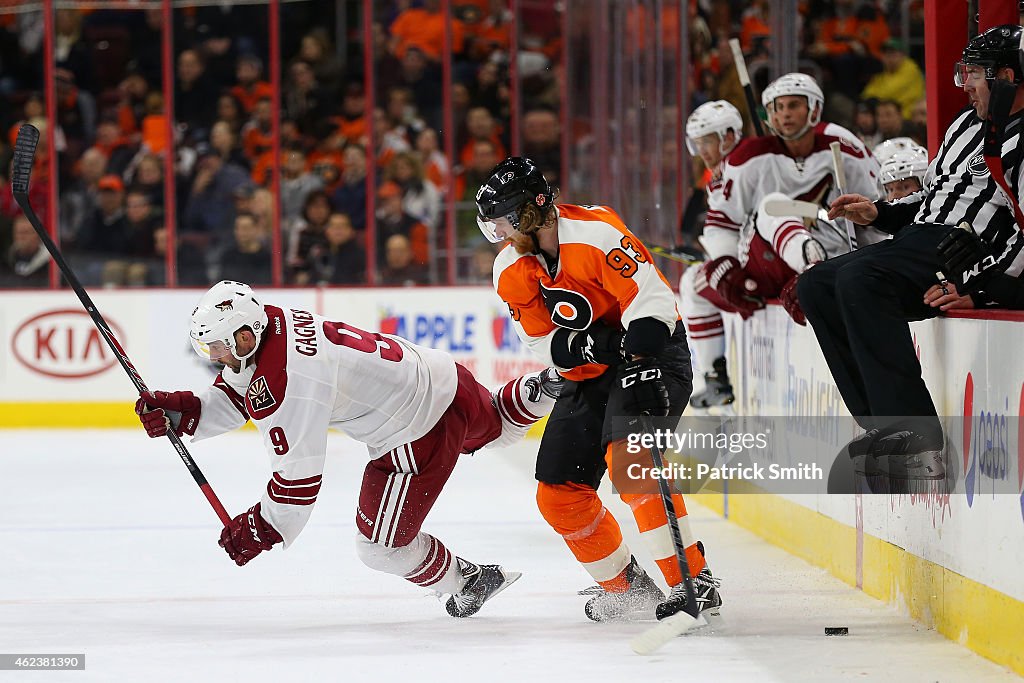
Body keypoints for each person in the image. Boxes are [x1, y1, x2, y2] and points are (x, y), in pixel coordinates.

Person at [133, 280, 562, 618]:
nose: (215, 358)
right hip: (442, 374)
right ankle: (553, 383)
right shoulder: (272, 322)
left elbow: (298, 481)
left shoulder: (287, 382)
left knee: (379, 547)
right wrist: (185, 412)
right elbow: (242, 390)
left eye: (220, 348)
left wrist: (261, 528)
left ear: (246, 337)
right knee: (496, 423)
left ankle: (467, 582)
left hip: (414, 431)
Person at [477, 157, 722, 623]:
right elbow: (546, 344)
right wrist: (602, 344)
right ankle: (629, 589)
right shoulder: (510, 267)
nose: (502, 233)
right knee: (558, 495)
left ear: (536, 207)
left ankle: (693, 579)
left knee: (631, 461)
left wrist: (628, 352)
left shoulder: (598, 232)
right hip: (590, 374)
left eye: (507, 220)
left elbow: (651, 310)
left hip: (652, 357)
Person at [799, 25, 1024, 484]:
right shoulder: (966, 124)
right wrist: (878, 211)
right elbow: (934, 199)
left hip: (965, 250)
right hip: (919, 239)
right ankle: (883, 427)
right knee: (815, 284)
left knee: (861, 278)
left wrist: (982, 288)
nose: (965, 85)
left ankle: (915, 432)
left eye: (975, 74)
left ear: (1006, 76)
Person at [689, 74, 883, 398]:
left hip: (834, 259)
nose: (785, 114)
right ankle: (715, 381)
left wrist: (875, 268)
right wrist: (723, 264)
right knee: (770, 208)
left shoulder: (845, 146)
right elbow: (722, 221)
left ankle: (813, 270)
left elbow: (874, 214)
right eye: (777, 108)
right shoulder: (747, 157)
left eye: (794, 105)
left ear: (815, 109)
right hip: (768, 263)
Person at [677, 101, 744, 408]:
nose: (702, 149)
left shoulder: (738, 169)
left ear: (729, 136)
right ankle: (714, 376)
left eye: (708, 139)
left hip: (763, 261)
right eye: (698, 142)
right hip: (749, 256)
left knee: (693, 282)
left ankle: (714, 377)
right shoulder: (721, 173)